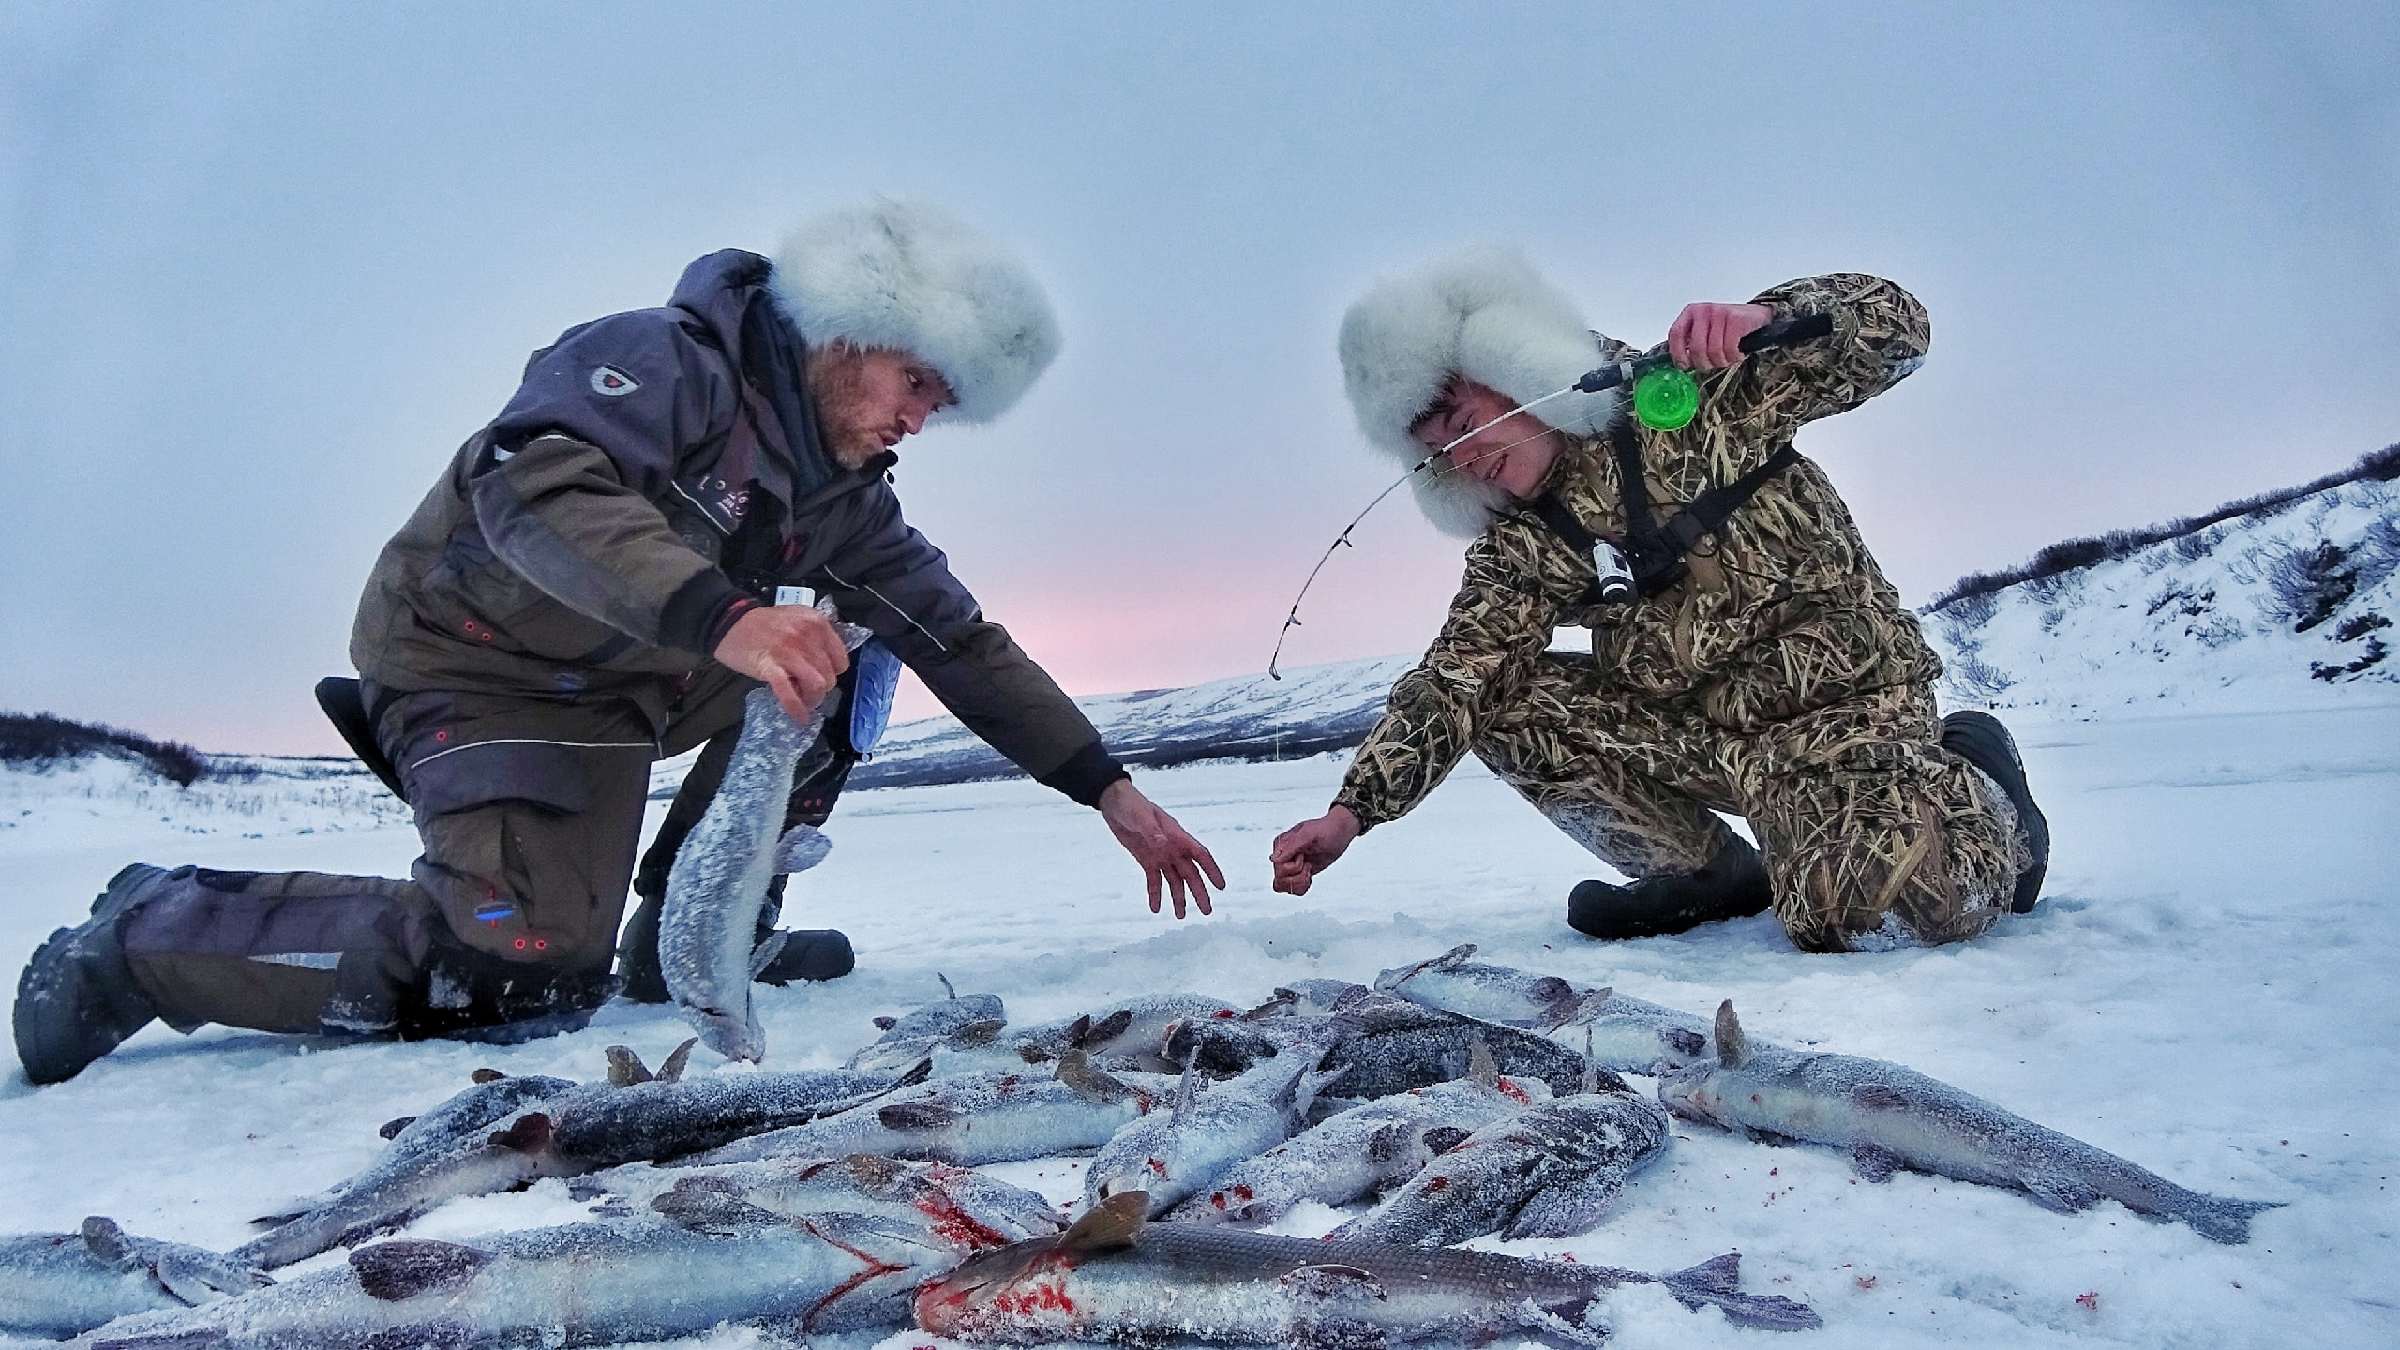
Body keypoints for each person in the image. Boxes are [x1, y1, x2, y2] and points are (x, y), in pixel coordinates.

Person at [14, 199, 1223, 1085]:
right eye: (917, 381)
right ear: (848, 333)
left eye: (941, 405)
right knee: (518, 970)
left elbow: (964, 640)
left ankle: (697, 930)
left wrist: (1106, 790)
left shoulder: (846, 496)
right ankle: (152, 934)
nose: (921, 418)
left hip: (634, 680)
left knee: (853, 644)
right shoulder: (665, 361)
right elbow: (536, 489)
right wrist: (731, 618)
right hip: (477, 661)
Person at [1269, 247, 2047, 952]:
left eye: (1468, 423)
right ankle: (1708, 873)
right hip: (1700, 738)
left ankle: (1982, 783)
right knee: (1502, 701)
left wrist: (1772, 319)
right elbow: (1457, 680)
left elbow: (1902, 331)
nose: (1467, 458)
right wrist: (1351, 814)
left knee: (1874, 913)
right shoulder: (1517, 546)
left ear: (1514, 370)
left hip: (1845, 715)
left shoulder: (1689, 398)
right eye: (1440, 452)